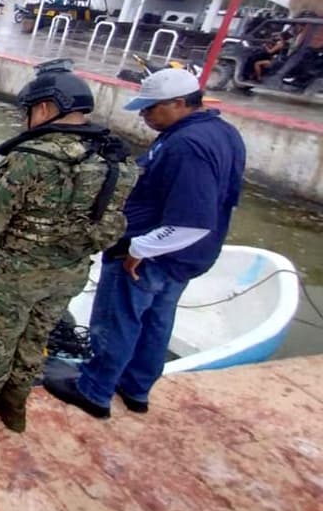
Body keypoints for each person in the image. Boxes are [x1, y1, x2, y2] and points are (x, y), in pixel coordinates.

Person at [0, 60, 138, 442]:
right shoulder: (113, 159)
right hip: (68, 274)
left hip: (12, 277)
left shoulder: (31, 158)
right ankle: (14, 409)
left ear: (45, 108)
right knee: (34, 342)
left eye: (28, 111)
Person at [44, 68, 245, 418]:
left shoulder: (188, 146)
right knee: (156, 323)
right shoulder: (221, 133)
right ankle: (135, 389)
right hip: (186, 259)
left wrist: (138, 249)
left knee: (116, 322)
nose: (144, 115)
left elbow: (193, 221)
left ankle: (94, 390)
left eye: (151, 108)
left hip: (149, 255)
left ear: (179, 103)